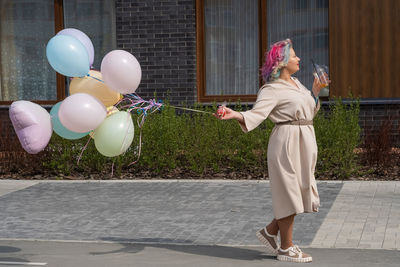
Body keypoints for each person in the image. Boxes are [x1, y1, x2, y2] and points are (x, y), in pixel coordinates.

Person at [215, 39, 329, 263]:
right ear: (282, 62)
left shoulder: (297, 83)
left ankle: (270, 231)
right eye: (294, 56)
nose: (299, 59)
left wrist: (315, 92)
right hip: (285, 143)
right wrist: (234, 114)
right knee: (289, 194)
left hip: (304, 141)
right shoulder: (271, 89)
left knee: (300, 190)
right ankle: (286, 248)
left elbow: (308, 113)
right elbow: (257, 114)